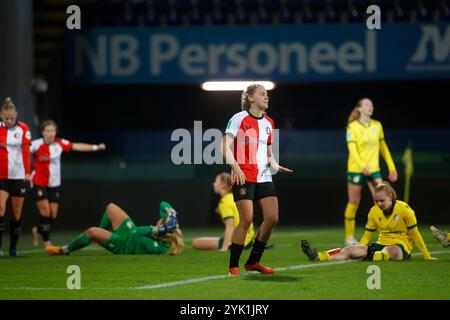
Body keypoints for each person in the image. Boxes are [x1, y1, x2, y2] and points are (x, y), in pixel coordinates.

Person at [221, 84, 293, 276]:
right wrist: (235, 167)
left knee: (272, 218)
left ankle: (253, 262)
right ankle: (233, 266)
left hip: (264, 176)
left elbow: (268, 153)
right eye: (262, 94)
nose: (266, 97)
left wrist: (275, 165)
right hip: (243, 174)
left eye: (267, 95)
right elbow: (224, 147)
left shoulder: (269, 122)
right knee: (246, 220)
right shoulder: (239, 118)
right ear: (251, 98)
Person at [302, 182, 436, 262]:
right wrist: (361, 248)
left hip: (401, 246)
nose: (378, 204)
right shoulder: (373, 211)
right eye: (376, 201)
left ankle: (376, 256)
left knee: (391, 250)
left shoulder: (405, 210)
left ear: (390, 196)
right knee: (349, 249)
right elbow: (367, 234)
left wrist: (427, 256)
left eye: (381, 201)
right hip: (379, 244)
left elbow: (415, 233)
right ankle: (319, 256)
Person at [30, 120, 106, 248]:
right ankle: (46, 241)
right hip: (38, 182)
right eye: (48, 131)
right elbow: (23, 152)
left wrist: (96, 147)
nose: (51, 133)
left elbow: (77, 146)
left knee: (53, 215)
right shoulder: (36, 144)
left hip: (54, 183)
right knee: (46, 212)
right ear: (43, 132)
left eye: (53, 131)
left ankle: (38, 230)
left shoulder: (59, 143)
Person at [344, 98, 398, 246]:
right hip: (356, 170)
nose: (370, 107)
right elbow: (352, 150)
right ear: (360, 108)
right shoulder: (352, 127)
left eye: (372, 105)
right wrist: (362, 166)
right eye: (367, 105)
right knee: (354, 202)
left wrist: (392, 167)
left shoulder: (377, 125)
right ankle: (349, 237)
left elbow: (384, 149)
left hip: (374, 170)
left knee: (383, 200)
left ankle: (387, 234)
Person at [46, 202, 183, 255]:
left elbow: (137, 233)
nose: (160, 219)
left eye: (163, 221)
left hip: (124, 245)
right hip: (130, 234)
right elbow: (162, 204)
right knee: (111, 207)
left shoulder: (159, 247)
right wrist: (171, 212)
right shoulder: (162, 234)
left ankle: (65, 250)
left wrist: (155, 229)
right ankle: (99, 237)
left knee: (91, 231)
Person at [0, 97, 32, 256]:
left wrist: (27, 172)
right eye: (6, 118)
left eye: (12, 118)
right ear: (1, 115)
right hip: (1, 176)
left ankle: (13, 247)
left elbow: (26, 153)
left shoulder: (23, 129)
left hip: (18, 176)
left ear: (16, 115)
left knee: (16, 212)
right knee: (0, 208)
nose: (9, 121)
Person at [192, 172, 255, 251]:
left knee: (196, 242)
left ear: (223, 186)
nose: (214, 184)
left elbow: (230, 227)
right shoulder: (233, 197)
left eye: (216, 182)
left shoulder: (225, 202)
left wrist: (224, 247)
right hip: (248, 239)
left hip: (239, 241)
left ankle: (228, 245)